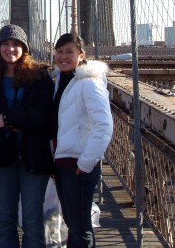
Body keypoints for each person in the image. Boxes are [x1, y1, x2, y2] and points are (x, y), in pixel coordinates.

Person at [0, 24, 54, 248]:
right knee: (5, 217)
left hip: (35, 156)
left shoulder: (40, 76)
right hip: (3, 155)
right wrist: (18, 122)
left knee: (32, 218)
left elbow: (43, 116)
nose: (10, 49)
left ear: (24, 48)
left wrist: (8, 120)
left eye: (15, 44)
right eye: (5, 44)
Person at [51, 33, 113, 248]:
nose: (63, 56)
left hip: (78, 165)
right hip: (63, 163)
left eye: (70, 51)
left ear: (82, 55)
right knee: (74, 224)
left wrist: (86, 163)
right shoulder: (60, 80)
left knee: (80, 227)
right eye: (59, 51)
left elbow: (104, 125)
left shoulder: (89, 82)